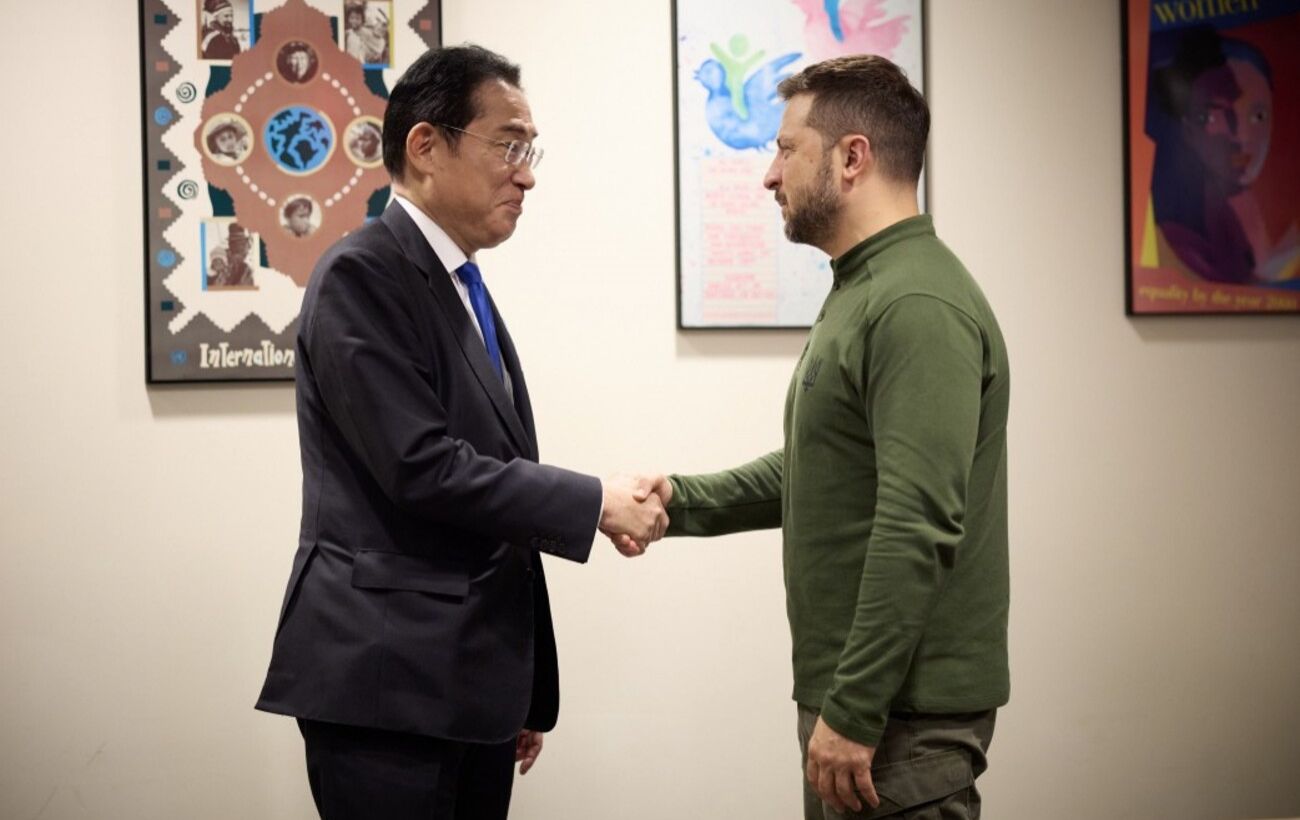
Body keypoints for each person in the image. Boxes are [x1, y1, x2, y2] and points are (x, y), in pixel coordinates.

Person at [255, 45, 666, 820]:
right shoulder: (360, 275)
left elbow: (488, 482)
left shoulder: (460, 284)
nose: (527, 175)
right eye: (509, 146)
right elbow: (422, 467)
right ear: (426, 146)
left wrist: (515, 687)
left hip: (467, 686)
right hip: (390, 689)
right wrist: (595, 503)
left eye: (530, 151)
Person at [628, 55, 1010, 818]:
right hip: (867, 709)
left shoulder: (916, 304)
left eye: (785, 149)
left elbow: (916, 522)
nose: (769, 176)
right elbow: (824, 469)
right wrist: (680, 501)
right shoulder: (868, 287)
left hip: (897, 722)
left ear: (852, 157)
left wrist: (856, 710)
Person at [1146, 26, 1299, 284]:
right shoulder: (1172, 228)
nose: (1241, 136)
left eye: (1258, 116)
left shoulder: (1239, 204)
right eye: (1213, 116)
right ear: (1187, 127)